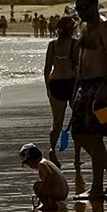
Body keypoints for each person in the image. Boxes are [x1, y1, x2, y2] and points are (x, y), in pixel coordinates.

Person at [70, 0, 107, 199]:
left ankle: (97, 188)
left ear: (95, 5)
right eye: (78, 9)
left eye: (85, 7)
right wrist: (75, 88)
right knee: (78, 133)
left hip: (102, 85)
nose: (82, 12)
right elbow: (81, 61)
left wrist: (104, 86)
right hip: (84, 86)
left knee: (94, 135)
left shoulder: (105, 26)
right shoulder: (84, 27)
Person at [42, 16, 78, 167]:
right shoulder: (75, 44)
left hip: (55, 84)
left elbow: (47, 69)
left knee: (57, 122)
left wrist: (48, 88)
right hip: (71, 83)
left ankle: (52, 150)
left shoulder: (52, 45)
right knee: (77, 121)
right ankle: (77, 157)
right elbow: (78, 68)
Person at [21, 143, 69, 212]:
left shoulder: (41, 164)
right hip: (63, 192)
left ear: (31, 160)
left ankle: (46, 205)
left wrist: (41, 190)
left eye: (28, 164)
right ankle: (52, 204)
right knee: (44, 184)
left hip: (59, 192)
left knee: (37, 186)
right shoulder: (46, 162)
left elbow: (49, 175)